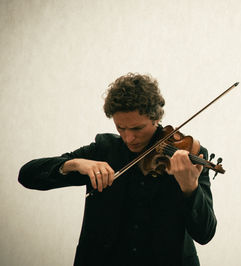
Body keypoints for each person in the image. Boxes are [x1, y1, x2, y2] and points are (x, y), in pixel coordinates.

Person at [18, 73, 217, 266]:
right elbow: (27, 175)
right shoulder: (103, 149)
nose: (129, 137)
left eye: (137, 128)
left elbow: (205, 233)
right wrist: (76, 163)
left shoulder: (188, 157)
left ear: (156, 118)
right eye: (121, 128)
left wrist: (190, 188)